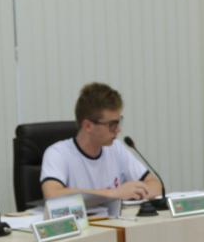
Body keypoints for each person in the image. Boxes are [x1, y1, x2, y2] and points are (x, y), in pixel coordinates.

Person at [40, 82, 163, 217]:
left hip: (114, 224)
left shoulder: (116, 148)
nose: (118, 130)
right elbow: (52, 195)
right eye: (112, 124)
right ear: (88, 126)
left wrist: (135, 192)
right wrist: (114, 193)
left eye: (119, 122)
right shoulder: (57, 153)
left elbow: (155, 185)